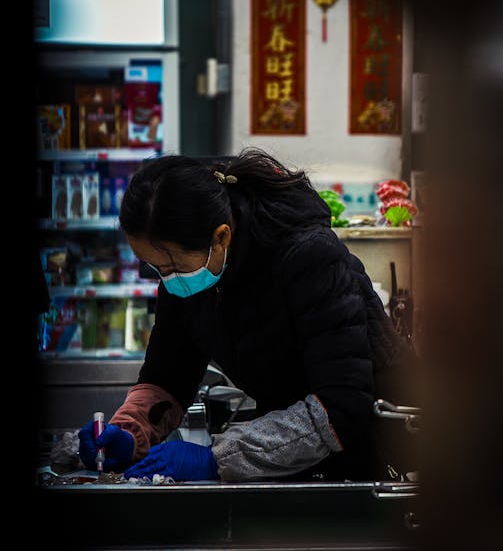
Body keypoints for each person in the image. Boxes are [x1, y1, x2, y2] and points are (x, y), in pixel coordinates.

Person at [78, 147, 413, 482]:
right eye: (157, 268)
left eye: (173, 266)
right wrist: (130, 432)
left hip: (371, 457)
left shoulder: (309, 256)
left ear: (221, 237)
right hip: (291, 454)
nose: (168, 279)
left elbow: (342, 405)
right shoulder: (190, 274)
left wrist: (219, 458)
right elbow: (168, 374)